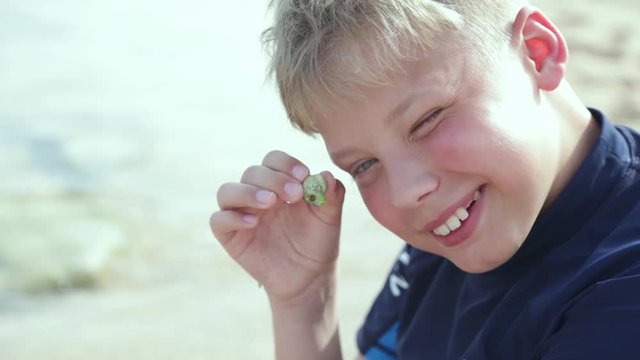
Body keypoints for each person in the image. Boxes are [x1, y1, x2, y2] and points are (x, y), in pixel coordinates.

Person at [210, 0, 640, 358]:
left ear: (536, 52)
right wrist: (303, 301)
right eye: (364, 165)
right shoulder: (457, 221)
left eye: (428, 120)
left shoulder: (622, 299)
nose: (405, 192)